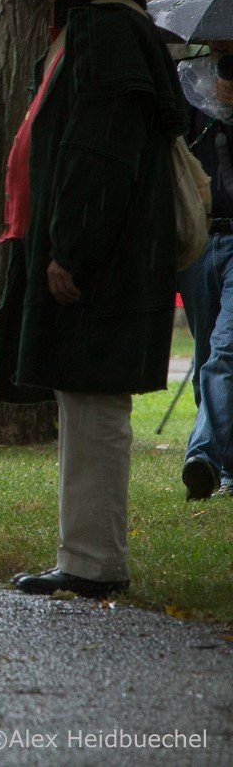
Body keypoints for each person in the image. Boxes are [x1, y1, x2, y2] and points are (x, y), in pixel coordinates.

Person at [0, 0, 186, 599]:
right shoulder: (99, 27)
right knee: (84, 401)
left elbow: (99, 154)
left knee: (95, 404)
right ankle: (84, 551)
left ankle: (94, 559)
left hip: (100, 258)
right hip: (100, 253)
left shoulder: (106, 31)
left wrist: (70, 249)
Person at [175, 41, 233, 500]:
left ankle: (204, 456)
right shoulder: (188, 88)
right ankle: (222, 465)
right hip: (201, 240)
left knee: (224, 351)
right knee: (204, 354)